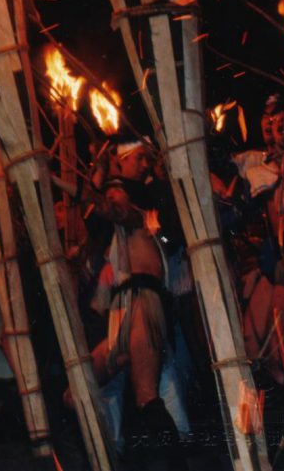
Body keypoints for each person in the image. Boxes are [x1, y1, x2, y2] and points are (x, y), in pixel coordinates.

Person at [85, 140, 182, 457]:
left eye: (146, 160)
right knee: (76, 394)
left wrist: (92, 184)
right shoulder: (121, 217)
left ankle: (176, 465)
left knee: (146, 396)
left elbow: (108, 207)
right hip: (122, 311)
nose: (144, 165)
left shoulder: (138, 211)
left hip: (143, 305)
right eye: (138, 158)